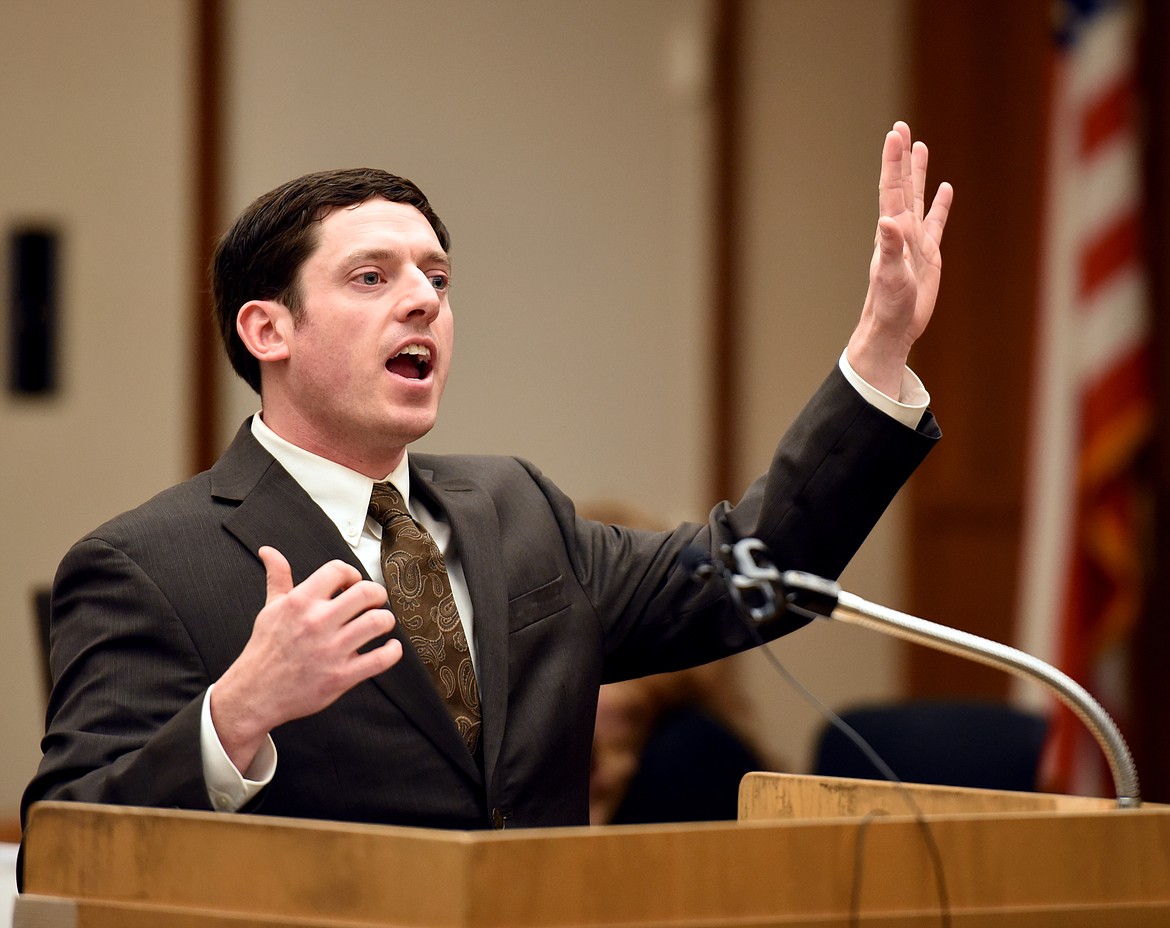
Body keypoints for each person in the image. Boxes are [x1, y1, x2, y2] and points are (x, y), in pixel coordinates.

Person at [22, 123, 952, 844]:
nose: (424, 298)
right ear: (269, 331)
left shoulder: (517, 511)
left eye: (436, 275)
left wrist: (879, 348)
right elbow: (67, 838)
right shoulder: (146, 564)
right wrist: (237, 715)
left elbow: (756, 568)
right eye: (372, 276)